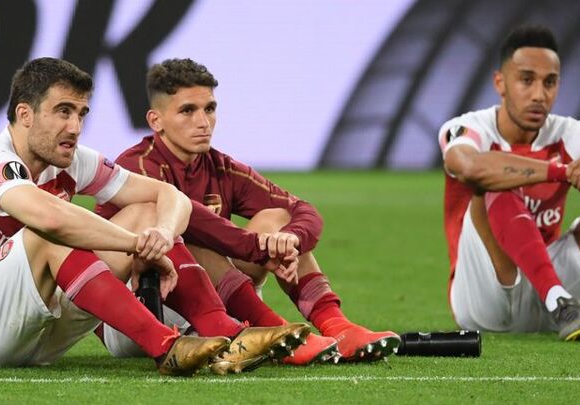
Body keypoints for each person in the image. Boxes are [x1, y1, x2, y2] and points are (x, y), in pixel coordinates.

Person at [0, 57, 308, 376]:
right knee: (47, 234)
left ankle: (224, 331)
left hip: (38, 333)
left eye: (81, 114)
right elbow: (51, 220)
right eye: (63, 112)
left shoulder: (73, 160)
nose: (75, 127)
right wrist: (136, 245)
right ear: (25, 114)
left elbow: (171, 197)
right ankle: (165, 346)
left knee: (145, 212)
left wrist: (160, 235)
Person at [97, 58, 400, 362]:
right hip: (135, 311)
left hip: (213, 303)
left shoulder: (221, 167)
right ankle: (271, 329)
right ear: (156, 120)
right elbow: (193, 220)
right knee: (186, 235)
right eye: (187, 111)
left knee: (276, 220)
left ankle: (337, 325)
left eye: (209, 109)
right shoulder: (136, 166)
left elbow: (303, 211)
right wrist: (259, 249)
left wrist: (290, 240)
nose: (203, 122)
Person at [439, 24, 580, 341]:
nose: (539, 95)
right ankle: (556, 300)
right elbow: (469, 167)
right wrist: (565, 172)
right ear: (500, 82)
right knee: (494, 178)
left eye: (550, 82)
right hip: (485, 300)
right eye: (526, 80)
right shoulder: (469, 127)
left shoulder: (568, 131)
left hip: (553, 293)